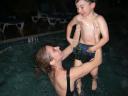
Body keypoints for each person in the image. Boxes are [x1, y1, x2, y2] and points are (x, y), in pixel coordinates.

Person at [66, 0, 109, 94]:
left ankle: (94, 80)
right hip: (81, 48)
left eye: (82, 7)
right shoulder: (79, 18)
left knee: (94, 73)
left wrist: (94, 48)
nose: (78, 11)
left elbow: (106, 38)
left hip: (95, 49)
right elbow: (69, 25)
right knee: (76, 73)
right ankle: (79, 88)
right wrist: (69, 38)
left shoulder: (99, 19)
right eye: (77, 8)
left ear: (92, 5)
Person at [35, 42, 102, 96]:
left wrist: (79, 28)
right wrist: (98, 41)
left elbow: (72, 46)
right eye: (54, 50)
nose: (57, 47)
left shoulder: (50, 69)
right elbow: (98, 61)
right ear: (52, 61)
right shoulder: (67, 75)